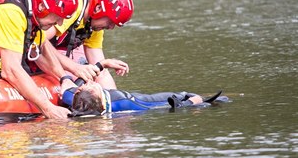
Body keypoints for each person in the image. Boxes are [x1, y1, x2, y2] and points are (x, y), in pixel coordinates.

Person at [0, 0, 134, 89]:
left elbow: (101, 72)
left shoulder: (94, 25)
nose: (110, 27)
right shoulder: (72, 8)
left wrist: (113, 99)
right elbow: (37, 42)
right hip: (15, 34)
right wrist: (74, 69)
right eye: (110, 21)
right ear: (98, 8)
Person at [58, 59, 226, 115]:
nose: (91, 82)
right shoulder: (124, 102)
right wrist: (190, 104)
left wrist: (103, 64)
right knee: (182, 95)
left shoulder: (72, 98)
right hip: (141, 100)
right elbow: (157, 107)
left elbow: (66, 84)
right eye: (93, 87)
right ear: (100, 98)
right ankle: (203, 100)